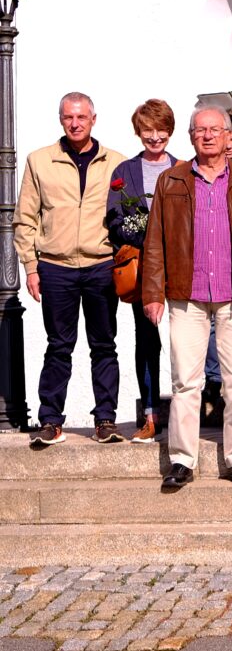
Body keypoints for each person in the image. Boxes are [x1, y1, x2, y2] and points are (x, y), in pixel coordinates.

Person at [141, 106, 232, 489]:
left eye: (215, 130)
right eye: (201, 130)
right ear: (191, 136)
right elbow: (155, 242)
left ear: (230, 136)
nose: (208, 136)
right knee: (185, 381)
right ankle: (181, 460)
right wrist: (153, 292)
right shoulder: (171, 180)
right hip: (186, 294)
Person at [17, 92, 127, 445]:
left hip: (101, 265)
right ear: (61, 120)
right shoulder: (40, 161)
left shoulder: (116, 163)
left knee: (104, 345)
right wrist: (31, 267)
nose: (75, 123)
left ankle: (106, 420)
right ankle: (50, 420)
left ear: (94, 119)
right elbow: (25, 220)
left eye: (81, 117)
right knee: (58, 345)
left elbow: (129, 216)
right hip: (55, 266)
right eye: (68, 118)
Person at [105, 99, 178, 441]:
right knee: (147, 340)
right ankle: (150, 414)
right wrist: (142, 230)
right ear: (138, 132)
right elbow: (114, 218)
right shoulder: (125, 172)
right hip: (141, 266)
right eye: (147, 129)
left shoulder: (184, 168)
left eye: (160, 129)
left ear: (170, 130)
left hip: (180, 266)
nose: (154, 136)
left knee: (184, 340)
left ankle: (184, 413)